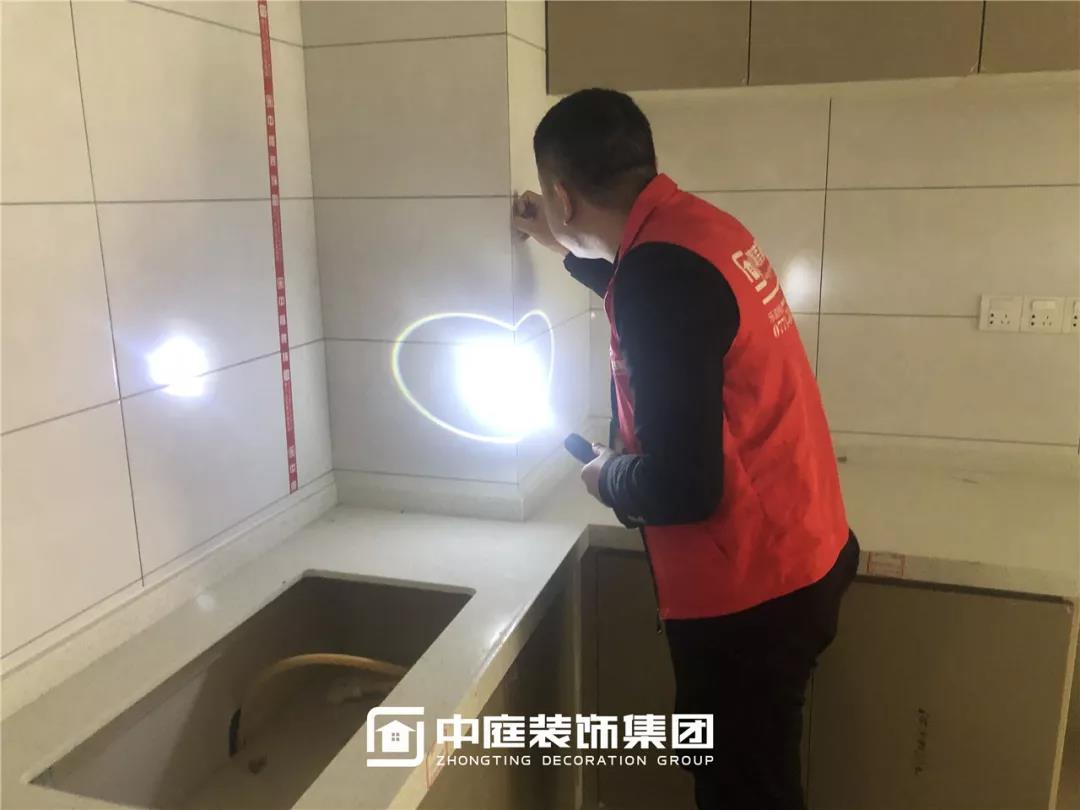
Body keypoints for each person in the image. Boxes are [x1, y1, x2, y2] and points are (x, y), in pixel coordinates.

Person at [512, 88, 859, 810]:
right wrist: (565, 247)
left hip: (754, 589)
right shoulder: (696, 228)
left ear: (563, 197)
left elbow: (684, 486)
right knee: (754, 778)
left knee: (744, 793)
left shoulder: (658, 277)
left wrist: (608, 477)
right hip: (802, 550)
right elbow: (668, 303)